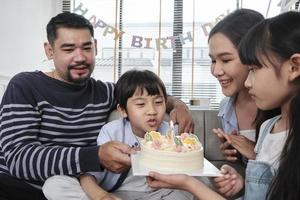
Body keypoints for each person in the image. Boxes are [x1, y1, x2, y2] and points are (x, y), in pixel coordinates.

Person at [0, 12, 194, 200]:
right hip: (21, 188)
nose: (80, 57)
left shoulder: (105, 92)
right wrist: (96, 156)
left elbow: (145, 96)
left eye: (86, 48)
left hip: (78, 186)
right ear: (50, 51)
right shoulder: (25, 85)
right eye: (68, 49)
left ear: (96, 47)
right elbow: (19, 159)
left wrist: (179, 105)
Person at [148, 11, 300, 200]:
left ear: (294, 67)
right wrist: (243, 180)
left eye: (254, 68)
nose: (216, 70)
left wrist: (187, 183)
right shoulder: (270, 127)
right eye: (213, 60)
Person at [42, 69, 193, 200]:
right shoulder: (112, 131)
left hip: (159, 194)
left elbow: (184, 172)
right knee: (54, 185)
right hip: (116, 194)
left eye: (158, 102)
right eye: (141, 104)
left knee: (196, 186)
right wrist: (101, 196)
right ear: (122, 110)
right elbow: (89, 175)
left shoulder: (170, 132)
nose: (152, 111)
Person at [208, 9, 263, 162]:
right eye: (213, 61)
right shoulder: (226, 108)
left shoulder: (284, 107)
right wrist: (236, 157)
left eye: (225, 60)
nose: (216, 71)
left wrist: (256, 155)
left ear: (253, 56)